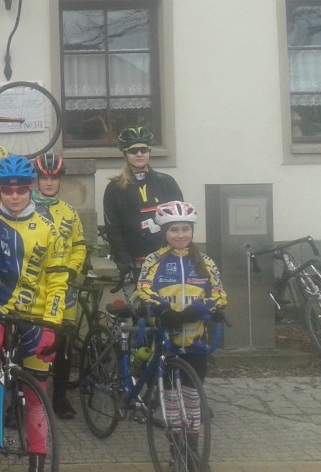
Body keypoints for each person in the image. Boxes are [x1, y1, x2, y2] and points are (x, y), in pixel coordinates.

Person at [0, 156, 68, 472]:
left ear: (30, 189)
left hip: (38, 315)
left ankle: (36, 464)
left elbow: (59, 279)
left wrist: (53, 324)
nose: (15, 196)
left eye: (20, 190)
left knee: (35, 397)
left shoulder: (49, 228)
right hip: (2, 307)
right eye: (7, 191)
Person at [136, 200, 227, 472]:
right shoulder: (154, 260)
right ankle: (176, 452)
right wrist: (163, 309)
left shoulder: (205, 262)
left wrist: (198, 309)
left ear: (192, 231)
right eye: (174, 229)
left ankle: (193, 452)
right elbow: (143, 290)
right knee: (172, 401)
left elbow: (219, 294)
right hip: (166, 339)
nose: (180, 235)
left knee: (193, 397)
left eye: (185, 229)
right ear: (164, 231)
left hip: (196, 341)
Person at [30, 152, 88, 420]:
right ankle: (20, 399)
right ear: (37, 180)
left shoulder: (69, 212)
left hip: (63, 287)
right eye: (44, 177)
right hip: (32, 287)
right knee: (27, 344)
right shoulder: (24, 206)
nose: (49, 183)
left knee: (63, 344)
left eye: (54, 178)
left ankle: (60, 397)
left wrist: (72, 269)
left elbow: (78, 246)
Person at [103, 126, 183, 281]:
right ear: (125, 154)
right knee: (143, 303)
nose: (139, 154)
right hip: (136, 259)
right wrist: (122, 257)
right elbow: (113, 227)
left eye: (144, 150)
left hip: (167, 255)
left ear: (149, 152)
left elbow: (181, 219)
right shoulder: (114, 188)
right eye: (133, 151)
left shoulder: (166, 182)